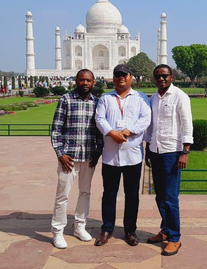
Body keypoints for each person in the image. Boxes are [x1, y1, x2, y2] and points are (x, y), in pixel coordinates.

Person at [94, 64, 151, 247]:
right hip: (110, 155)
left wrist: (126, 132)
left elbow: (145, 119)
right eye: (117, 75)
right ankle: (107, 228)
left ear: (130, 77)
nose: (121, 78)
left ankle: (130, 230)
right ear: (113, 77)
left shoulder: (141, 98)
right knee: (109, 194)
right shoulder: (106, 98)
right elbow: (99, 119)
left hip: (132, 155)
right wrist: (112, 133)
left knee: (132, 195)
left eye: (124, 75)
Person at [50, 69, 103, 249]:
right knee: (63, 194)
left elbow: (99, 131)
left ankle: (80, 226)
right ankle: (57, 231)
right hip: (69, 158)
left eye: (88, 80)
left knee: (85, 193)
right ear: (76, 81)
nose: (85, 83)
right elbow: (56, 129)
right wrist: (60, 153)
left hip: (88, 156)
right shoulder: (66, 99)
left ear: (93, 82)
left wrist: (98, 151)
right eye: (82, 80)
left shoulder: (97, 102)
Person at [145, 64, 193, 256]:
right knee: (160, 196)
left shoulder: (180, 96)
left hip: (172, 152)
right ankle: (165, 230)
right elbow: (151, 126)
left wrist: (186, 151)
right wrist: (148, 149)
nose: (161, 79)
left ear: (172, 77)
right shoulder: (154, 98)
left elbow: (187, 123)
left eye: (164, 76)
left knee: (171, 198)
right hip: (155, 151)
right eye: (157, 76)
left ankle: (175, 237)